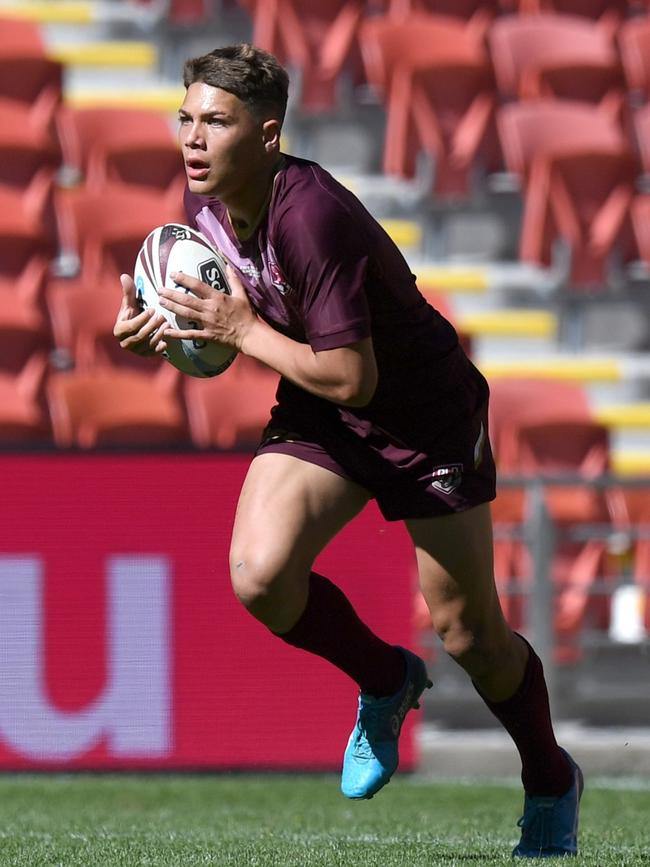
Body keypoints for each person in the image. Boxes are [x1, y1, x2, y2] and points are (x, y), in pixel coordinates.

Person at [114, 43, 583, 858]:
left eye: (215, 123)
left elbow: (354, 377)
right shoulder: (210, 212)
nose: (192, 139)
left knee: (470, 634)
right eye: (185, 118)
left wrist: (242, 331)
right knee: (259, 576)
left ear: (266, 136)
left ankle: (550, 777)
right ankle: (384, 678)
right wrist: (162, 336)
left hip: (422, 417)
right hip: (322, 405)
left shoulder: (310, 214)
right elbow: (234, 345)